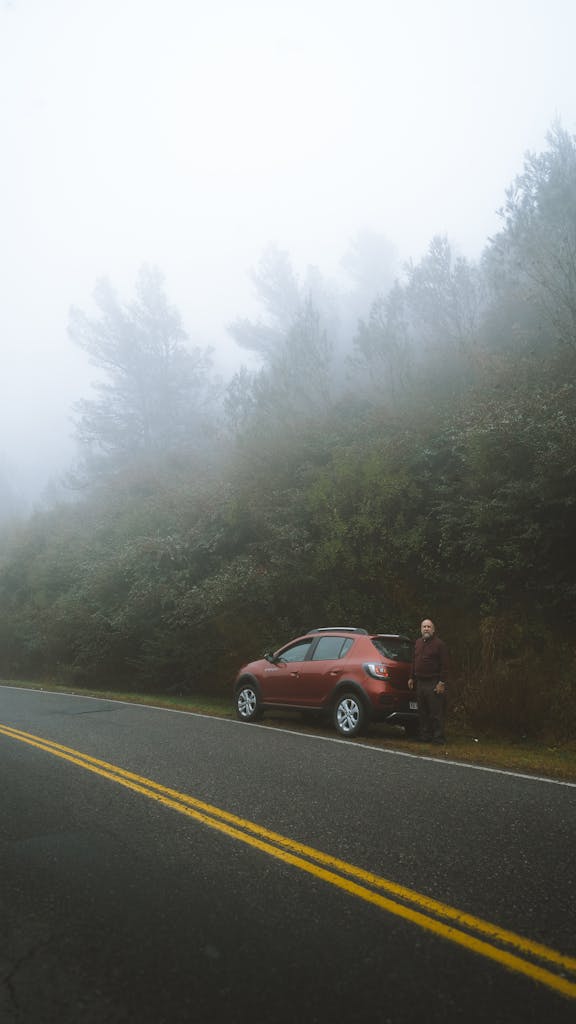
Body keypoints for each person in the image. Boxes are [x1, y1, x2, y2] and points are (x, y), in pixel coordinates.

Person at [407, 618, 449, 744]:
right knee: (423, 711)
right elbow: (414, 661)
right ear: (421, 629)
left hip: (433, 682)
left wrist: (441, 682)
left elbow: (445, 665)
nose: (426, 629)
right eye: (424, 626)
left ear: (433, 629)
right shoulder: (418, 642)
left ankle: (438, 738)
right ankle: (425, 736)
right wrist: (411, 677)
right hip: (420, 682)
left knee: (435, 712)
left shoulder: (439, 644)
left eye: (428, 627)